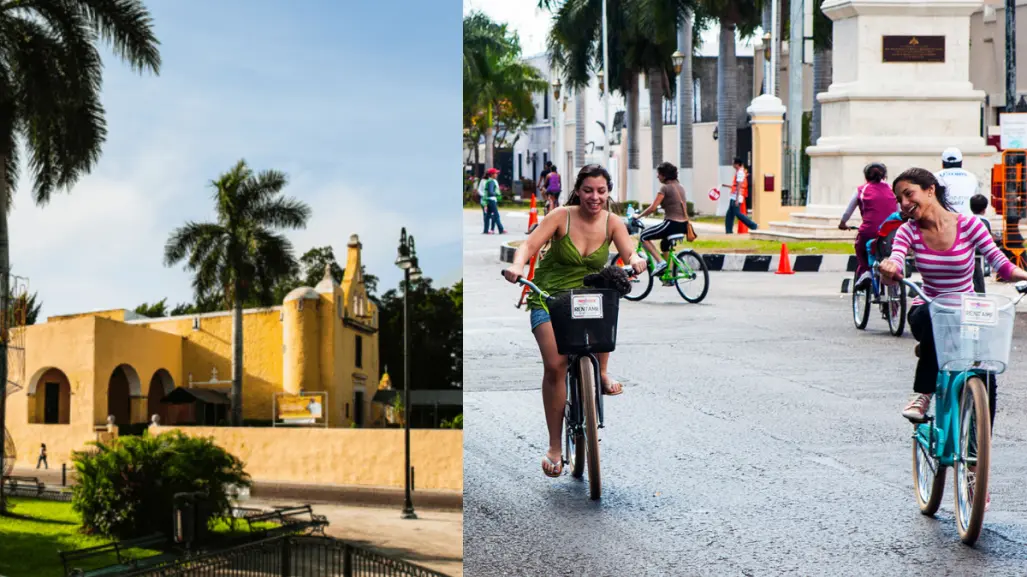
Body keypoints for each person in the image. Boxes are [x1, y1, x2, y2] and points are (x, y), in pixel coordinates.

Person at [502, 164, 646, 478]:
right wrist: (516, 266)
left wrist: (636, 260)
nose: (595, 197)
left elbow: (629, 252)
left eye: (601, 191)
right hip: (550, 298)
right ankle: (555, 446)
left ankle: (602, 372)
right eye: (588, 190)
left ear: (608, 193)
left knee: (607, 303)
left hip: (588, 300)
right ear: (578, 191)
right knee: (556, 365)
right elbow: (528, 245)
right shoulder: (561, 216)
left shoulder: (613, 222)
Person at [839, 162, 899, 289]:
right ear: (885, 176)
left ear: (866, 176)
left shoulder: (862, 190)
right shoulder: (892, 190)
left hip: (869, 231)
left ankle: (866, 271)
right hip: (891, 231)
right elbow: (899, 212)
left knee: (860, 247)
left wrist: (843, 224)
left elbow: (847, 212)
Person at [635, 161, 690, 276]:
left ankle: (660, 263)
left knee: (644, 236)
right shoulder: (681, 187)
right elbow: (673, 204)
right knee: (664, 244)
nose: (657, 176)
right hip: (683, 225)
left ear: (664, 175)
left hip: (672, 223)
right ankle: (668, 275)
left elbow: (652, 208)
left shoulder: (665, 188)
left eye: (658, 174)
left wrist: (638, 216)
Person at [934, 147, 979, 217]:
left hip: (944, 221)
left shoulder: (936, 177)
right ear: (961, 163)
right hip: (968, 221)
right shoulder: (972, 177)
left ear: (942, 163)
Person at [723, 157, 758, 233]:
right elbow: (735, 185)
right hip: (734, 196)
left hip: (736, 197)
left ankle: (753, 225)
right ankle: (728, 231)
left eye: (733, 163)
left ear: (737, 164)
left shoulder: (740, 173)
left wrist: (736, 199)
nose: (733, 165)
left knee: (738, 214)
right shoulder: (738, 172)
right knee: (729, 215)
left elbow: (739, 185)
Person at [970, 193, 993, 292]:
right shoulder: (986, 221)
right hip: (981, 252)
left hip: (970, 252)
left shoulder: (968, 220)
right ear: (984, 209)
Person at [481, 168, 505, 235]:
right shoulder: (491, 181)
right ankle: (501, 229)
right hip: (491, 200)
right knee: (496, 215)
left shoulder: (489, 181)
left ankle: (485, 230)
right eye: (495, 173)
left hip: (489, 200)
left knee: (488, 215)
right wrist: (497, 194)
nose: (496, 174)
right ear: (492, 174)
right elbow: (491, 192)